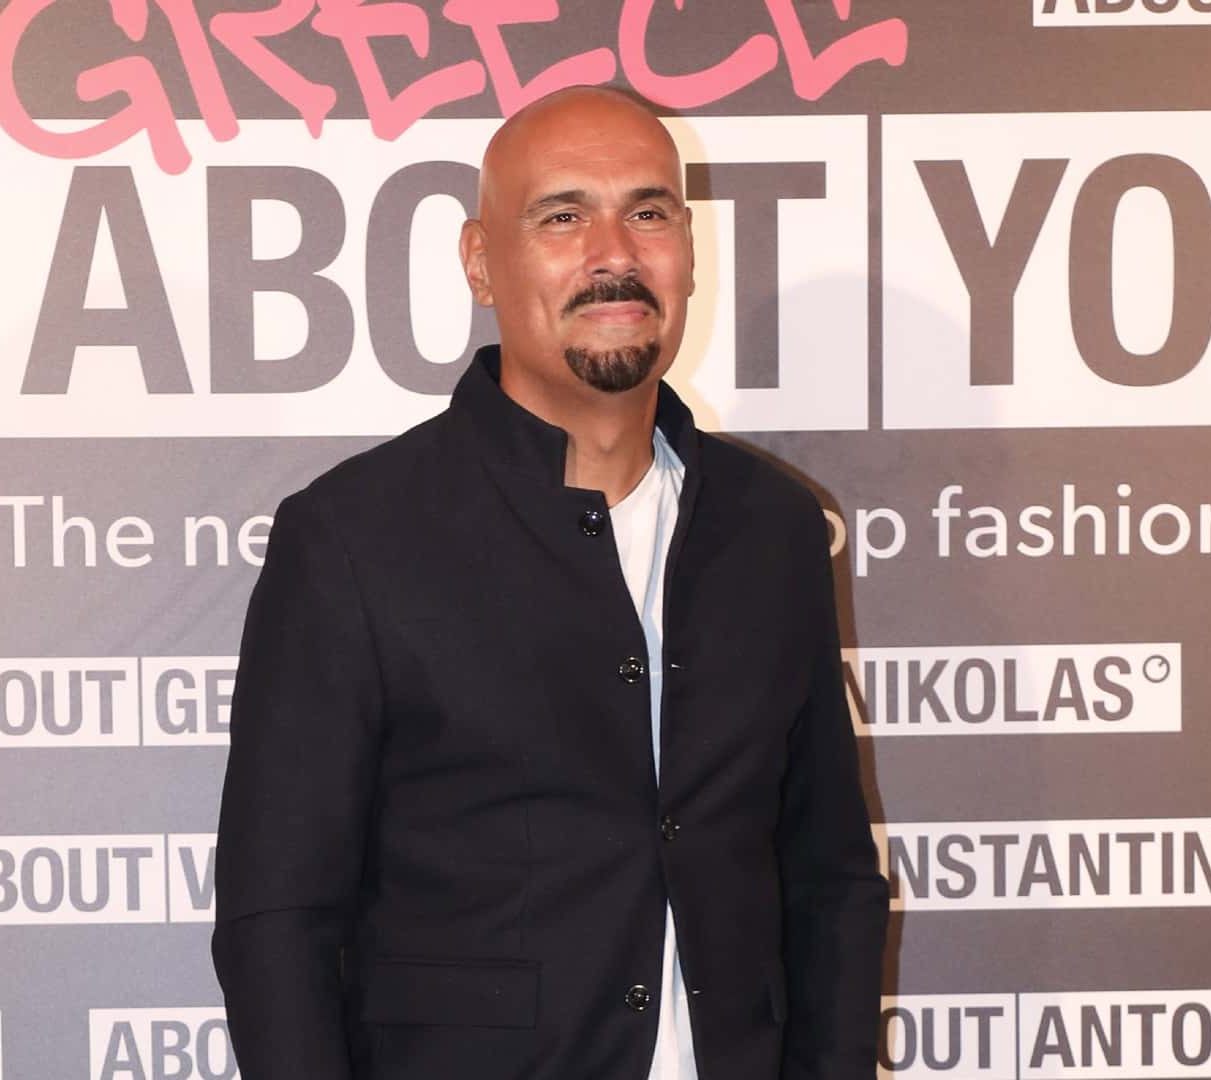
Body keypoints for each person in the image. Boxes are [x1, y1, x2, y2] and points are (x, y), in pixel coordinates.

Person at [212, 86, 885, 1080]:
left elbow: (829, 877)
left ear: (689, 250)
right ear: (481, 261)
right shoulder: (353, 539)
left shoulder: (774, 528)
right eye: (562, 217)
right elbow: (278, 919)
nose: (615, 253)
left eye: (648, 212)